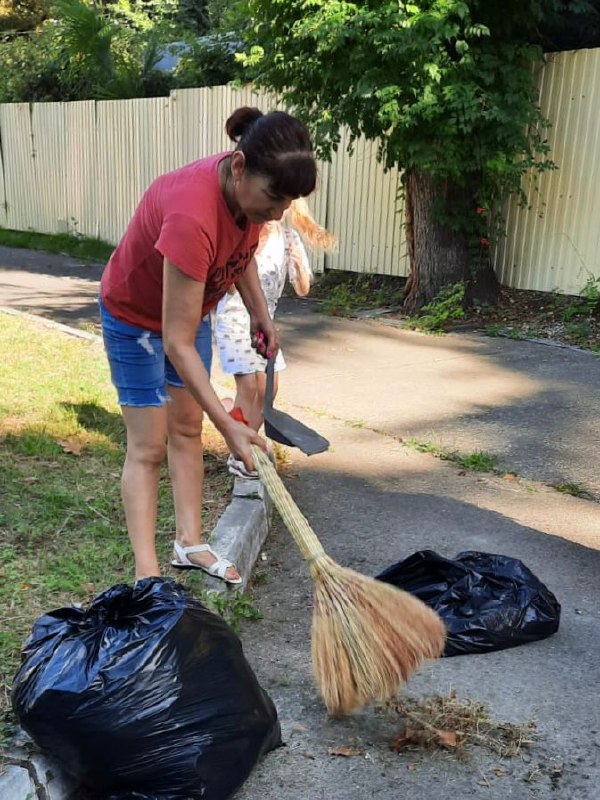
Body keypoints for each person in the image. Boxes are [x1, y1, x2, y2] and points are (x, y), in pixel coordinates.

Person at [99, 107, 317, 584]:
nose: (278, 213)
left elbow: (238, 257)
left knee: (187, 429)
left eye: (288, 202)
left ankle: (190, 543)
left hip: (187, 310)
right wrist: (231, 427)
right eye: (274, 199)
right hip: (134, 320)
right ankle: (148, 576)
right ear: (239, 167)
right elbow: (174, 342)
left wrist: (261, 314)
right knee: (148, 445)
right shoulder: (190, 212)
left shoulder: (246, 196)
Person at [214, 198, 336, 478]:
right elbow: (229, 286)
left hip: (265, 320)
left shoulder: (289, 239)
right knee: (250, 386)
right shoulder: (247, 236)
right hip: (235, 316)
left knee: (270, 388)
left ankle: (244, 435)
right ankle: (239, 455)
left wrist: (299, 267)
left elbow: (303, 289)